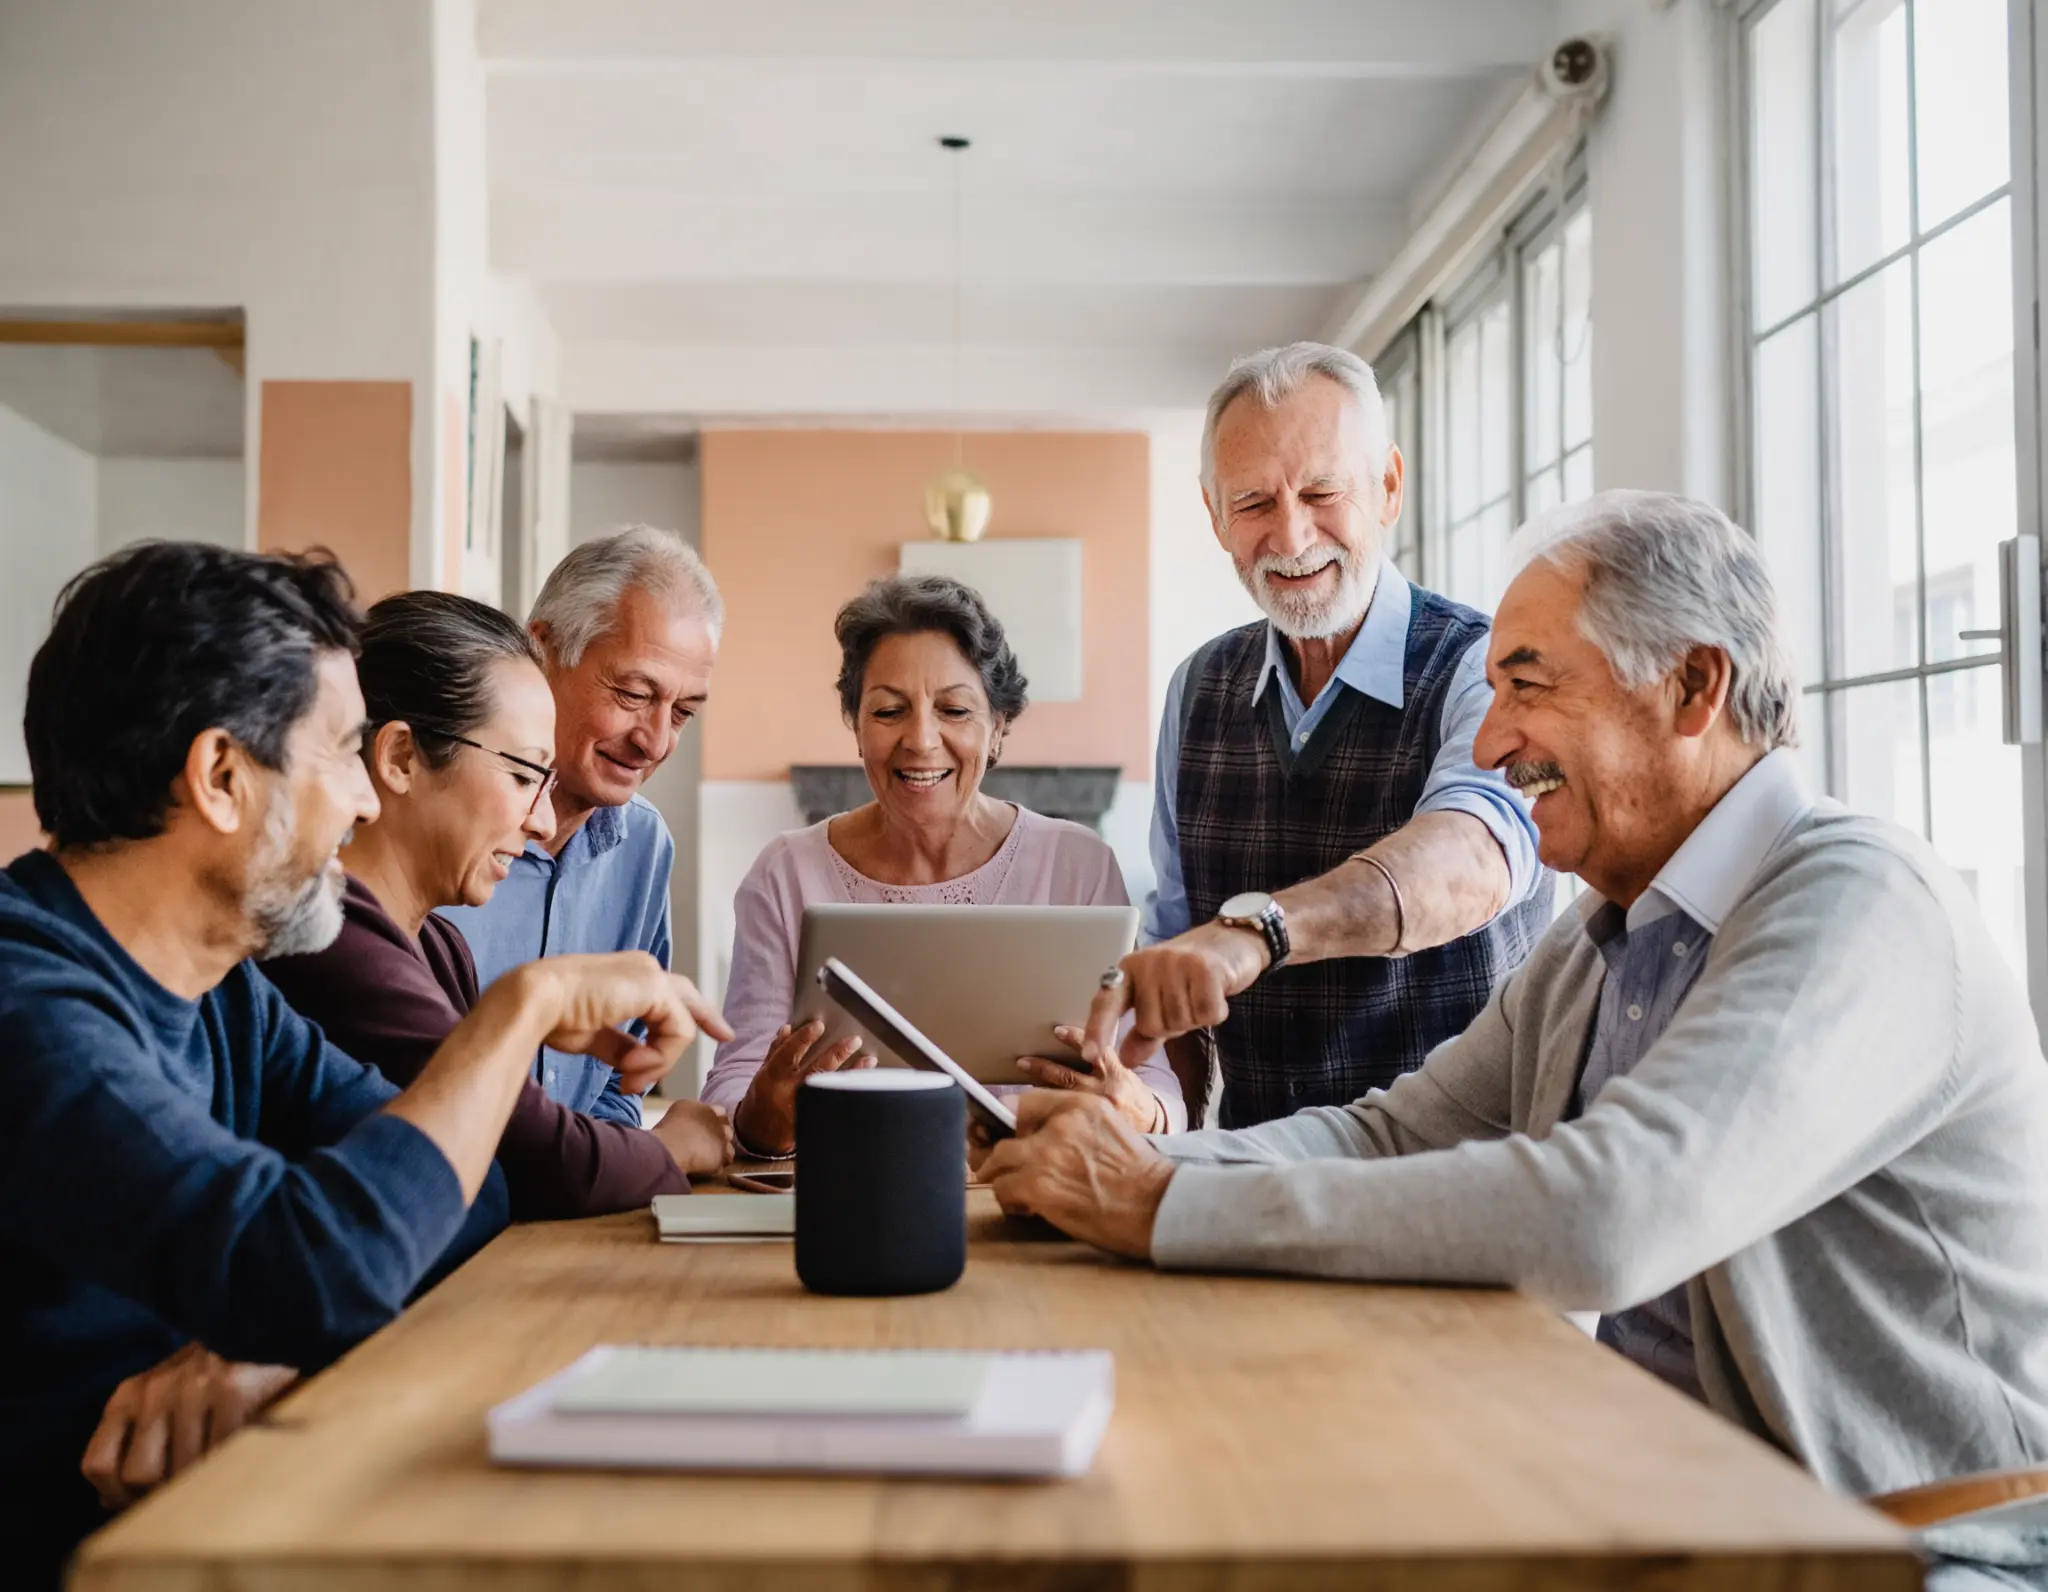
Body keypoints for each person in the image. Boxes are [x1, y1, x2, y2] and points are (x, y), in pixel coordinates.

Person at [980, 491, 2048, 1587]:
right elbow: (1392, 1136)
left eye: (1527, 687)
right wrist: (1108, 1162)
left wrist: (1159, 1202)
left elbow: (1612, 1211)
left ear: (1692, 686)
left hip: (1923, 1549)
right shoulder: (1600, 938)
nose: (1490, 742)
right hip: (1676, 1511)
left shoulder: (1859, 899)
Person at [0, 542, 728, 1588]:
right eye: (344, 755)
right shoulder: (29, 999)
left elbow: (468, 1196)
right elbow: (313, 1260)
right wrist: (521, 1010)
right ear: (221, 777)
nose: (365, 804)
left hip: (205, 1511)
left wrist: (274, 1339)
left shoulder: (227, 991)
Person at [1126, 342, 1548, 1128]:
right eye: (1254, 503)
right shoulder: (1196, 690)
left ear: (1388, 487)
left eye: (1322, 492)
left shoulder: (1486, 668)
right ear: (1215, 517)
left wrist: (1259, 932)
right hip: (1255, 1166)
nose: (1291, 538)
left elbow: (1472, 860)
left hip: (1459, 1169)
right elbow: (1175, 959)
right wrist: (1146, 1116)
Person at [263, 592, 734, 1219]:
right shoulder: (332, 943)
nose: (543, 822)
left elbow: (502, 1159)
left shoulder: (438, 946)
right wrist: (673, 1146)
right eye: (521, 775)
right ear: (401, 758)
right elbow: (533, 1163)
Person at [704, 574, 1185, 1156]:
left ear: (998, 727)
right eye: (889, 711)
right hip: (849, 1185)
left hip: (1031, 1189)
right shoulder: (785, 873)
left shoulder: (1077, 864)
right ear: (855, 725)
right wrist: (765, 1113)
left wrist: (1140, 1108)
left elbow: (1154, 1085)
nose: (921, 740)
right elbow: (732, 1089)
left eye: (954, 709)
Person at [441, 525, 721, 1123]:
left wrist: (613, 1155)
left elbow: (620, 1084)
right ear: (542, 651)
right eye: (633, 694)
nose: (655, 742)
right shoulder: (444, 826)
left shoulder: (645, 843)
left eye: (682, 713)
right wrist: (648, 1156)